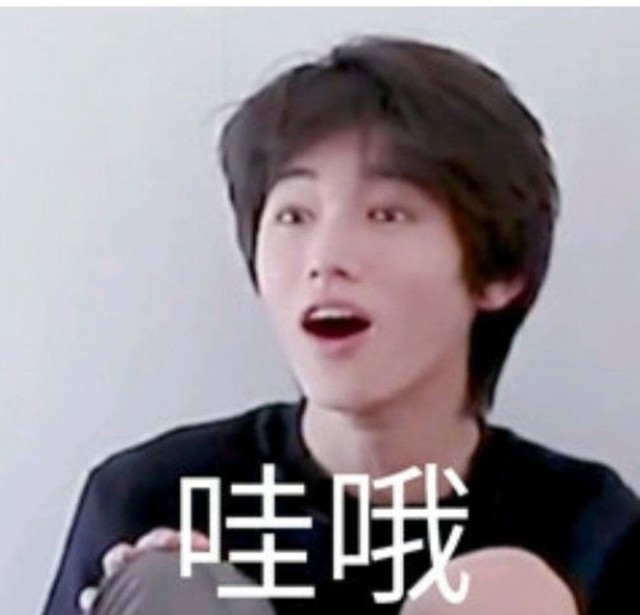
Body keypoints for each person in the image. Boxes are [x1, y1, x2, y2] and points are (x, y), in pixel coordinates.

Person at [41, 36, 640, 615]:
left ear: (498, 272)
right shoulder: (155, 497)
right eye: (294, 215)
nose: (326, 258)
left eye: (387, 214)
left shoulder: (586, 526)